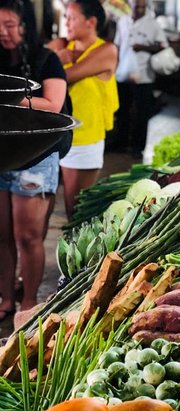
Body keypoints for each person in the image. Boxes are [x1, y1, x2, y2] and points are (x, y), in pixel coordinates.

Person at [0, 0, 67, 320]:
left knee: (27, 235)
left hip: (36, 158)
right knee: (1, 233)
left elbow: (54, 104)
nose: (3, 32)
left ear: (25, 26)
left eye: (10, 25)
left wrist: (11, 99)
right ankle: (5, 297)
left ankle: (28, 302)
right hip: (2, 157)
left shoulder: (46, 60)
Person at [49, 0, 119, 220]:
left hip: (85, 139)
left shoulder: (106, 50)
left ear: (91, 22)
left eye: (72, 17)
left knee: (76, 209)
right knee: (53, 204)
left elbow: (66, 76)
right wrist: (56, 58)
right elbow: (32, 66)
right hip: (57, 136)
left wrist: (55, 62)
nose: (66, 22)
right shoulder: (62, 44)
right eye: (66, 17)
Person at [116, 0, 166, 158]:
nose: (139, 10)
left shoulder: (153, 24)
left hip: (144, 75)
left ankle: (138, 147)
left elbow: (162, 45)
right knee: (122, 110)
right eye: (136, 6)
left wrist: (143, 47)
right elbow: (117, 45)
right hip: (123, 73)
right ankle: (121, 142)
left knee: (142, 113)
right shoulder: (123, 21)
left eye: (142, 7)